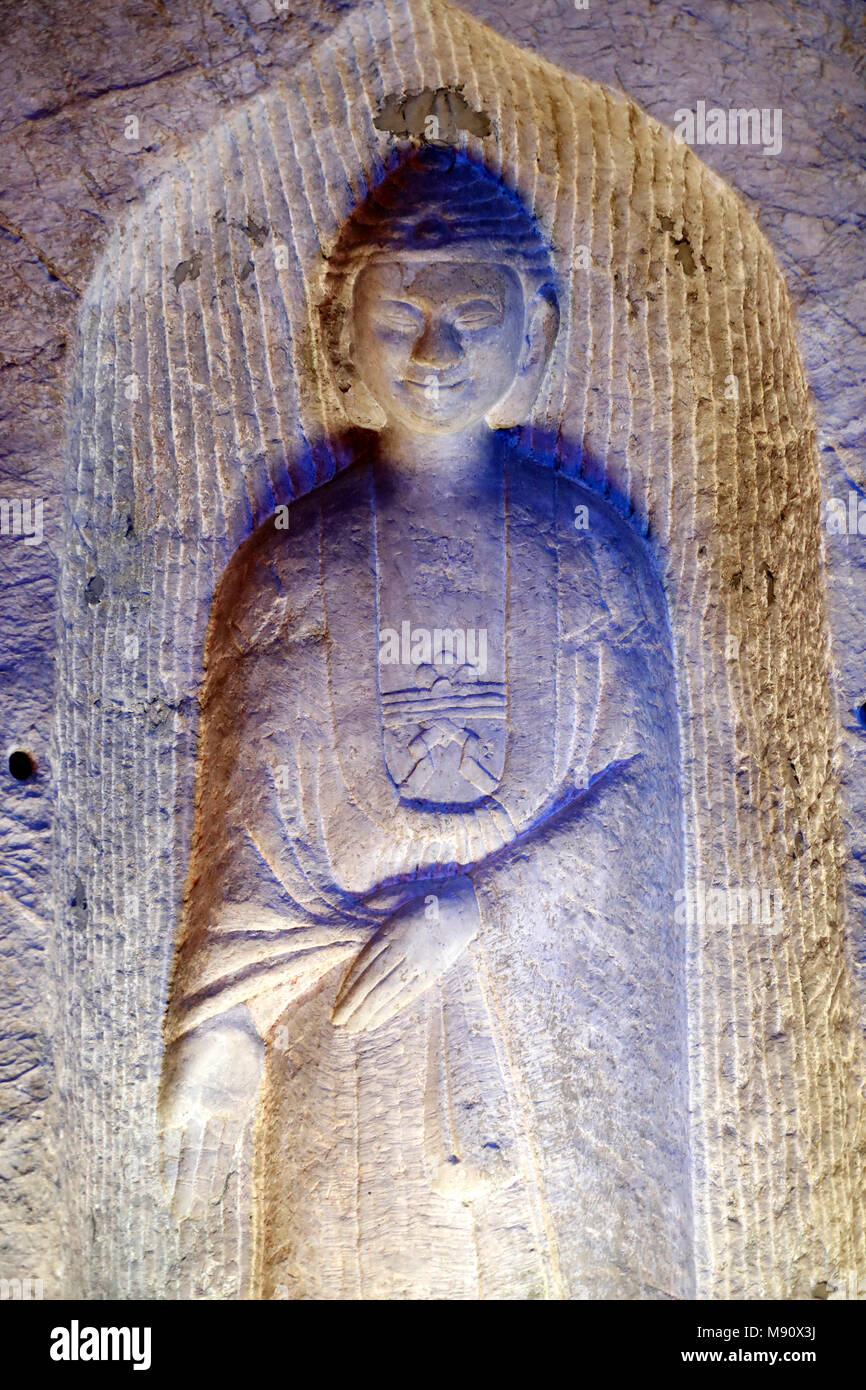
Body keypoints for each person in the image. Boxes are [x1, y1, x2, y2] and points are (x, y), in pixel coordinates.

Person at [159, 148, 679, 1298]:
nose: (434, 354)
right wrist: (225, 1015)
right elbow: (243, 836)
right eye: (398, 316)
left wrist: (476, 906)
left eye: (469, 319)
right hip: (342, 1012)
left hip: (540, 1020)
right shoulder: (293, 557)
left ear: (531, 335)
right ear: (344, 332)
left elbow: (638, 804)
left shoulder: (587, 548)